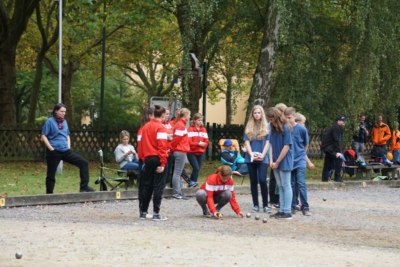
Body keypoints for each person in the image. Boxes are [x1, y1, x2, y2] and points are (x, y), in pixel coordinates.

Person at [41, 103, 95, 194]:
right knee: (51, 174)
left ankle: (84, 187)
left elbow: (67, 135)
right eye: (61, 111)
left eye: (65, 112)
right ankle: (49, 194)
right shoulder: (49, 121)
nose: (63, 113)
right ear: (56, 111)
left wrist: (68, 147)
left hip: (65, 150)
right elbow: (43, 136)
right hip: (54, 151)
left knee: (84, 163)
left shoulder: (64, 122)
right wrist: (51, 149)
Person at [139, 104, 169, 220]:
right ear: (162, 115)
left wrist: (143, 158)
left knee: (147, 186)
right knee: (158, 186)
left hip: (147, 158)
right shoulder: (161, 127)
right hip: (157, 158)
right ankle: (156, 213)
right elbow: (162, 146)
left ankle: (143, 211)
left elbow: (141, 144)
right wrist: (162, 163)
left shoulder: (145, 127)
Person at [284, 107, 312, 216]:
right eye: (285, 118)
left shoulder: (301, 129)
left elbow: (306, 144)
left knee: (301, 183)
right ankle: (293, 205)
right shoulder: (285, 129)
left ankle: (305, 206)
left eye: (289, 118)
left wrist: (301, 155)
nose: (287, 120)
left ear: (294, 117)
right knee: (291, 184)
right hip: (289, 160)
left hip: (299, 159)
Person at [267, 107, 294, 220]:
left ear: (276, 117)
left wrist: (277, 161)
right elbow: (271, 145)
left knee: (286, 185)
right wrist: (271, 161)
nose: (270, 121)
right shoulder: (272, 128)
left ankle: (287, 211)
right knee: (280, 185)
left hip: (284, 160)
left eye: (272, 118)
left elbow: (286, 146)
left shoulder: (286, 127)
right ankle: (281, 210)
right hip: (275, 160)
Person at [243, 105, 271, 213]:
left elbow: (267, 143)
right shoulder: (249, 127)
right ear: (252, 114)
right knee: (253, 181)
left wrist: (263, 155)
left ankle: (265, 205)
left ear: (262, 114)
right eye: (255, 113)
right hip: (251, 158)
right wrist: (251, 155)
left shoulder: (267, 127)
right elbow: (246, 142)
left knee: (263, 180)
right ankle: (255, 205)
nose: (257, 115)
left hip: (262, 158)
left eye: (259, 113)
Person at [170, 108, 191, 199]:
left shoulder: (181, 124)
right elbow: (176, 140)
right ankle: (176, 193)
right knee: (177, 172)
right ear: (185, 115)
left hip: (180, 150)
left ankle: (178, 192)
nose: (189, 117)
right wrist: (172, 148)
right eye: (189, 115)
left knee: (177, 172)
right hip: (180, 151)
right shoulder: (181, 125)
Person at [321, 115, 347, 182]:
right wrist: (338, 152)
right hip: (329, 148)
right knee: (339, 159)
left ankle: (324, 178)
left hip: (328, 148)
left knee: (328, 162)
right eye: (342, 120)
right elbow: (336, 140)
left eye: (345, 120)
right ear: (338, 121)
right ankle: (337, 177)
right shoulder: (336, 127)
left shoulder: (338, 128)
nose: (344, 122)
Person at [187, 113, 209, 188]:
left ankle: (193, 183)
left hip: (200, 152)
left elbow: (206, 141)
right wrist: (198, 143)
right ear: (194, 120)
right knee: (195, 168)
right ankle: (191, 182)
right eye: (199, 120)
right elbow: (189, 142)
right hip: (191, 152)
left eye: (201, 120)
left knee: (197, 169)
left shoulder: (203, 129)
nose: (200, 122)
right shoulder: (190, 129)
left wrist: (203, 145)